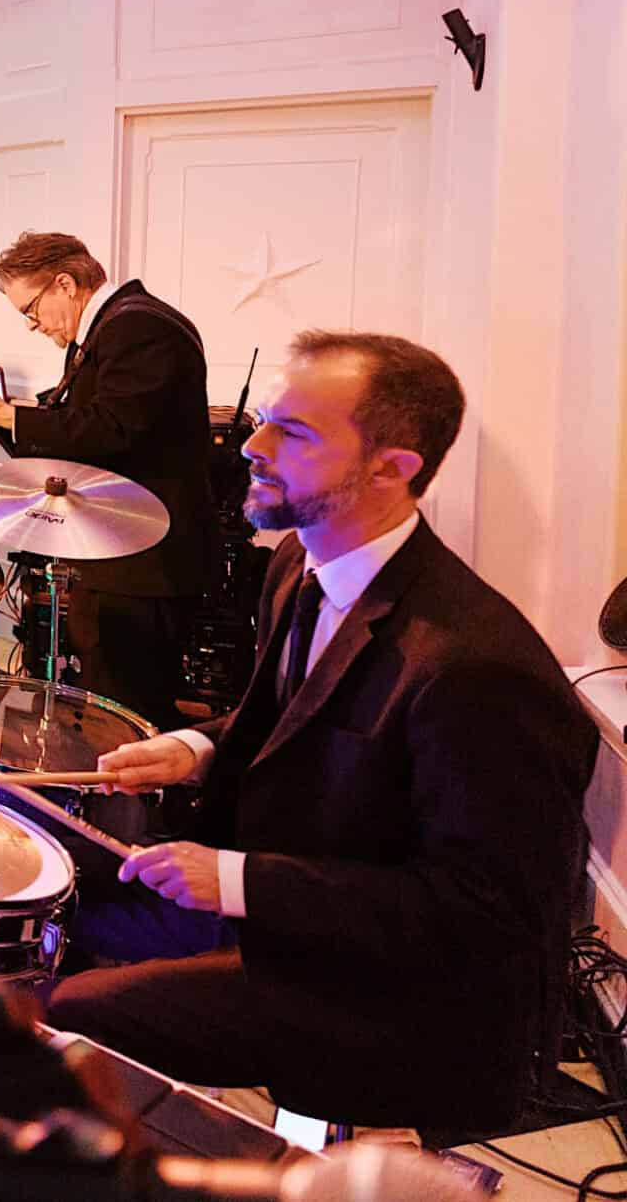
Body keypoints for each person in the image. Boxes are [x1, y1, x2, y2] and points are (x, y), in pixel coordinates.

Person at [50, 332, 595, 1135]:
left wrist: (236, 882)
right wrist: (199, 748)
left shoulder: (475, 668)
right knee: (66, 899)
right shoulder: (298, 564)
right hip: (306, 911)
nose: (252, 446)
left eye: (293, 432)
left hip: (398, 995)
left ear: (392, 467)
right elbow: (305, 708)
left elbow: (488, 914)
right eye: (266, 419)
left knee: (75, 1010)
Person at [0, 232, 212, 724]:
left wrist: (9, 417)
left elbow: (112, 429)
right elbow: (89, 416)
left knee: (126, 716)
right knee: (106, 704)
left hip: (147, 565)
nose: (32, 325)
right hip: (124, 555)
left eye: (31, 308)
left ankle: (126, 798)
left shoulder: (138, 329)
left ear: (65, 284)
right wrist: (12, 413)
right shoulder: (113, 328)